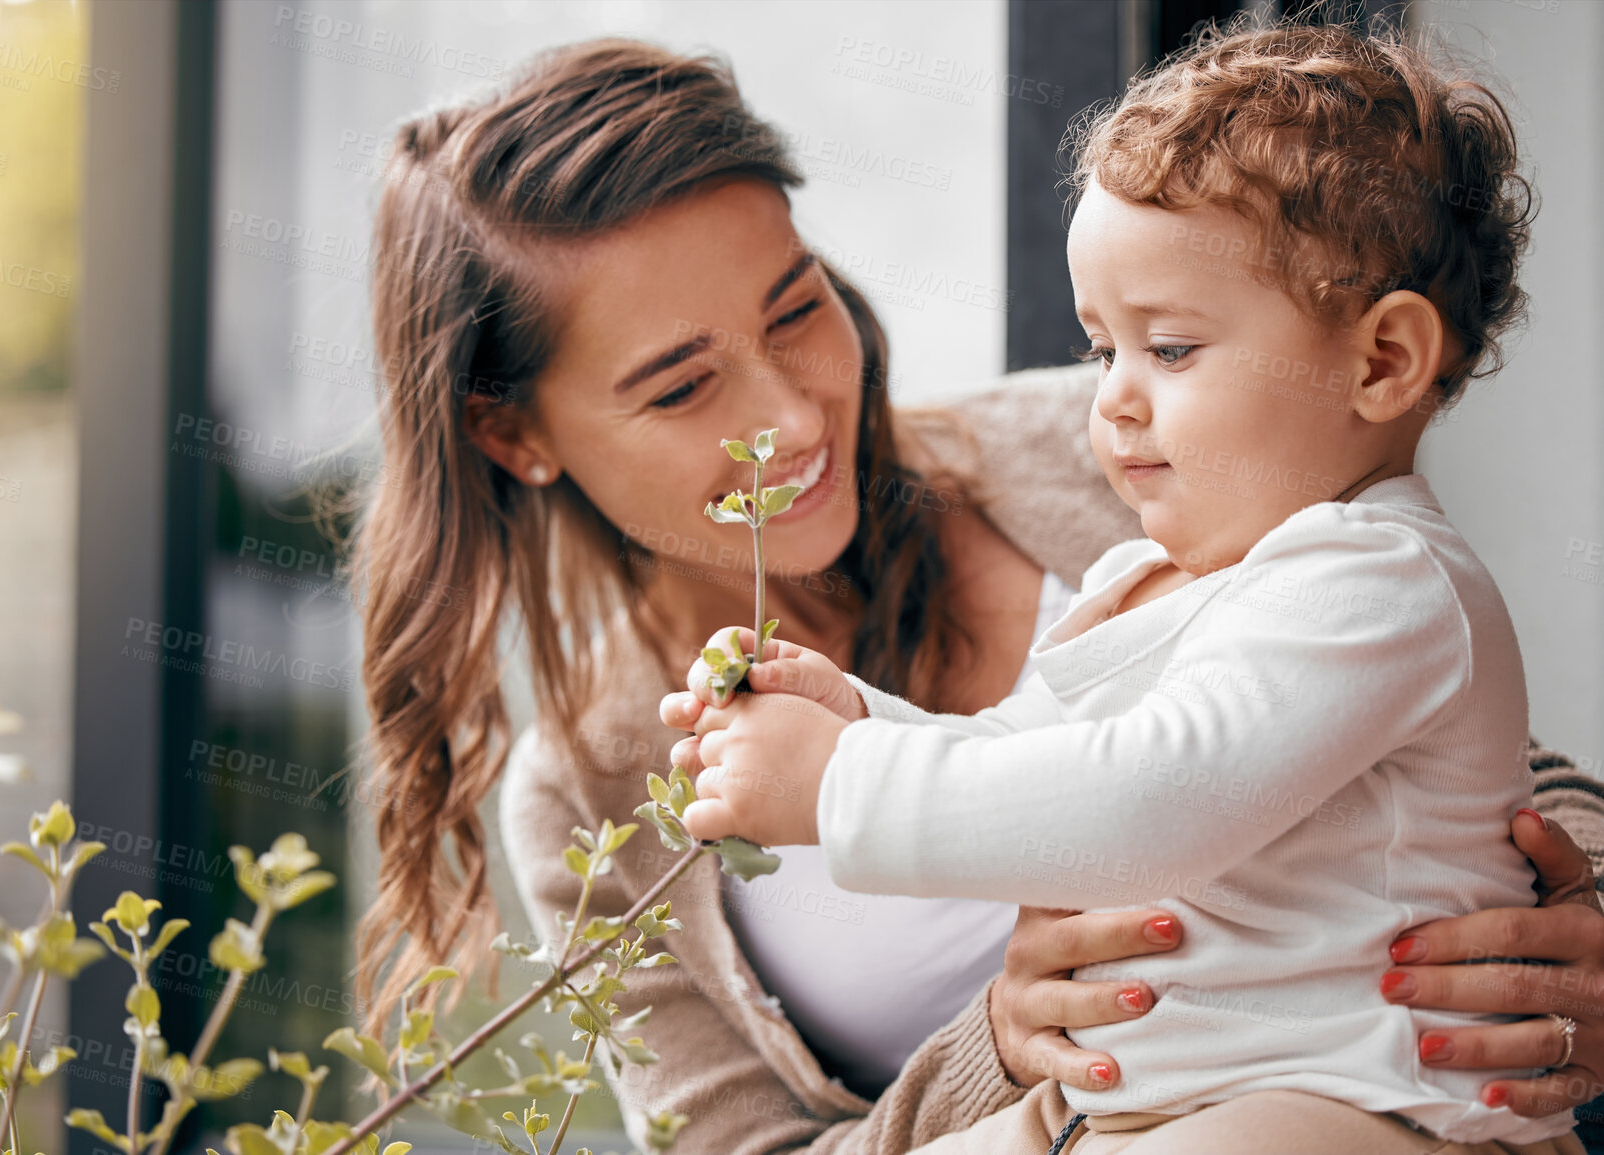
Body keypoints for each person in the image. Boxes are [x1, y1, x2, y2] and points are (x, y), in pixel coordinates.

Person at [346, 35, 1604, 1155]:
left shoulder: (1153, 451)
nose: (786, 415)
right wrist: (994, 1046)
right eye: (680, 388)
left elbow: (1443, 765)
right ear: (515, 438)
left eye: (796, 308)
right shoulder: (589, 805)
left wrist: (1586, 914)